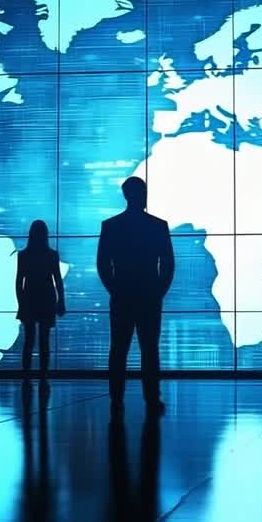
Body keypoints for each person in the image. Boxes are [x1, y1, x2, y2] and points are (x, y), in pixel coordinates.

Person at [97, 177, 175, 415]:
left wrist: (114, 288)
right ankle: (152, 397)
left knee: (119, 348)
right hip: (149, 295)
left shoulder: (111, 226)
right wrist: (159, 290)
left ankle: (116, 397)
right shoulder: (158, 226)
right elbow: (168, 263)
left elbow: (103, 263)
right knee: (149, 348)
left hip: (123, 294)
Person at [16, 219, 66, 384]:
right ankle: (43, 376)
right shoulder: (51, 255)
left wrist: (21, 303)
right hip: (46, 298)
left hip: (30, 298)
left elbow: (19, 282)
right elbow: (57, 280)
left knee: (29, 340)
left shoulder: (23, 255)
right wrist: (61, 301)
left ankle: (26, 376)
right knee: (44, 341)